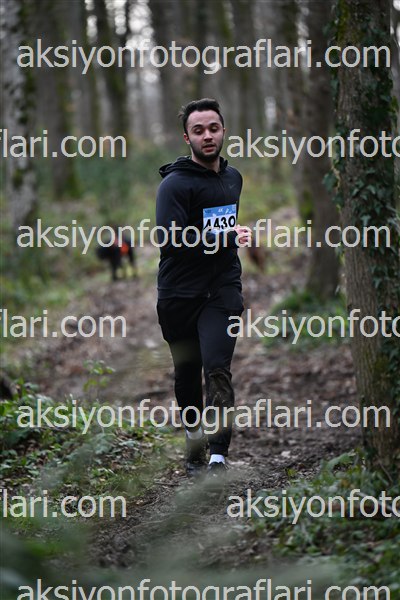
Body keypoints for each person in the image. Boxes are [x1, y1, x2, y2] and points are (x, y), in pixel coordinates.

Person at [156, 98, 251, 478]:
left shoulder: (233, 178)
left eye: (213, 128)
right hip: (179, 293)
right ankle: (194, 442)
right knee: (187, 373)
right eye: (198, 130)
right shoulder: (174, 185)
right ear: (187, 138)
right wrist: (226, 236)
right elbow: (171, 242)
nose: (207, 136)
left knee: (217, 369)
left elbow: (222, 232)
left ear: (223, 130)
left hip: (221, 289)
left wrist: (232, 239)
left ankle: (218, 456)